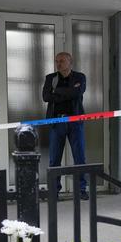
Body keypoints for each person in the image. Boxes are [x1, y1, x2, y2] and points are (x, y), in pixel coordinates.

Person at [42, 52, 88, 200]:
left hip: (75, 122)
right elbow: (46, 97)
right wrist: (67, 92)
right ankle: (54, 191)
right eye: (57, 61)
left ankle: (81, 189)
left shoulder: (80, 77)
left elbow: (77, 92)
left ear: (70, 62)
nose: (58, 63)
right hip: (57, 122)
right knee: (55, 159)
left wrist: (57, 92)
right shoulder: (51, 78)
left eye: (62, 61)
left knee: (79, 157)